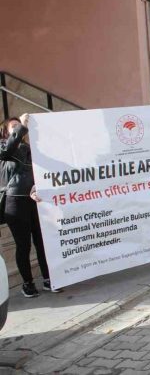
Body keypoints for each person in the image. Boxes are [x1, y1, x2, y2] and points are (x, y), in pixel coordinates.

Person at [1, 114, 59, 297]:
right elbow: (7, 151)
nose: (18, 126)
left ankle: (49, 279)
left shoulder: (29, 148)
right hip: (15, 202)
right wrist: (21, 126)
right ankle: (27, 283)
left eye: (19, 124)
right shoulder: (4, 147)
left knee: (42, 242)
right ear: (5, 132)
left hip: (34, 201)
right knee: (23, 245)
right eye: (14, 126)